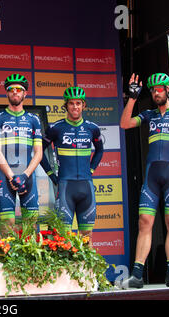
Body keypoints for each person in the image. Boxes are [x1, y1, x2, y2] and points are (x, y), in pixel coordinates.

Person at [119, 73, 169, 289]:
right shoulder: (149, 114)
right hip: (152, 175)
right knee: (144, 222)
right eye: (152, 90)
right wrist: (132, 98)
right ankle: (137, 275)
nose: (155, 92)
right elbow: (124, 124)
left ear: (168, 90)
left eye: (160, 89)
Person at [40, 87, 103, 242]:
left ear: (84, 105)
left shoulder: (92, 128)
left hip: (86, 186)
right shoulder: (56, 128)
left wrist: (91, 169)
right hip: (65, 187)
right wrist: (51, 176)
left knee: (87, 238)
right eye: (71, 103)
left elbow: (100, 150)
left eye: (78, 103)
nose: (75, 107)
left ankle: (86, 268)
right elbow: (39, 152)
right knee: (62, 238)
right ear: (66, 106)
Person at [0, 74, 43, 224]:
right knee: (7, 228)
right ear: (7, 93)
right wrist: (12, 177)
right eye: (11, 89)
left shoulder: (34, 119)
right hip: (6, 177)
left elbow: (38, 153)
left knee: (30, 228)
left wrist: (24, 176)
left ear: (25, 93)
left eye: (19, 89)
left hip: (28, 177)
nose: (15, 92)